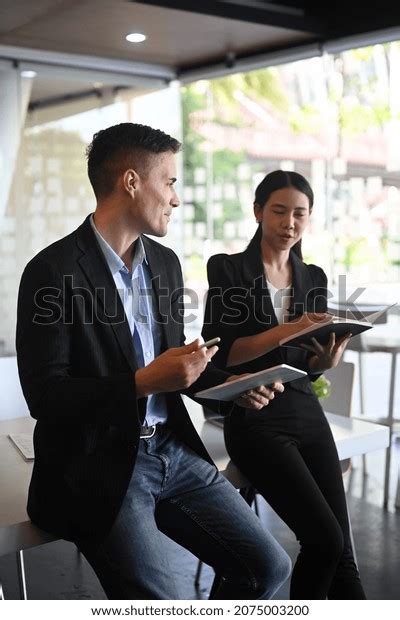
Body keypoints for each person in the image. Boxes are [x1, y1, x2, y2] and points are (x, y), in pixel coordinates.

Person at [16, 124, 291, 600]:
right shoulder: (50, 271)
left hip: (172, 450)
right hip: (98, 464)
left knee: (268, 567)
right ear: (130, 182)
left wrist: (231, 384)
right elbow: (46, 395)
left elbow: (174, 364)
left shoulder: (164, 264)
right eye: (169, 181)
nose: (176, 198)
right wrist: (141, 383)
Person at [202, 170, 366, 600]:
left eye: (300, 214)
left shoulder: (313, 277)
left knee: (342, 551)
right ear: (258, 212)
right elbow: (221, 352)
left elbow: (308, 364)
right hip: (255, 415)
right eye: (278, 211)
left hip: (305, 410)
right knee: (325, 541)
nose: (289, 222)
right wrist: (287, 329)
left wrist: (323, 361)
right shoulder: (227, 268)